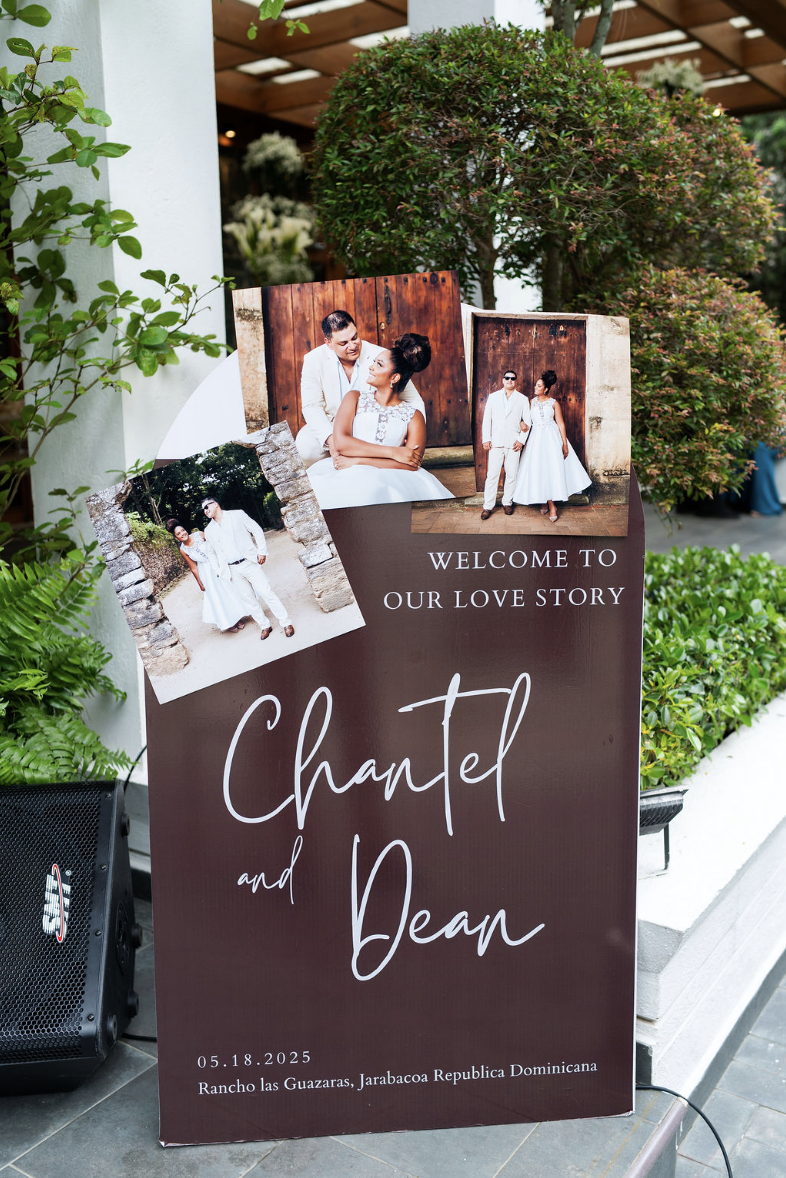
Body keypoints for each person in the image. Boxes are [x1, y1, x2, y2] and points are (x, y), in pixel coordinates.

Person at [306, 333, 454, 510]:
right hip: (347, 474)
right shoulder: (354, 398)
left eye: (379, 364)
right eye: (374, 362)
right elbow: (341, 443)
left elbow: (411, 464)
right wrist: (394, 452)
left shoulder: (414, 416)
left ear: (394, 378)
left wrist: (357, 462)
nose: (371, 367)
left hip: (390, 477)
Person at [295, 309, 426, 467]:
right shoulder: (313, 360)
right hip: (332, 424)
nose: (352, 346)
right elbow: (311, 406)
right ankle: (337, 464)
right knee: (305, 448)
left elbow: (414, 400)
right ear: (328, 343)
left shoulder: (381, 355)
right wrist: (332, 440)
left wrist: (412, 435)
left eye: (354, 338)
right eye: (343, 343)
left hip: (370, 423)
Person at [201, 497, 295, 641]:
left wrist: (262, 551)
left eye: (206, 507)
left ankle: (286, 623)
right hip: (232, 570)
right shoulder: (209, 530)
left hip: (248, 562)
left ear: (215, 504)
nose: (205, 511)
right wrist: (218, 570)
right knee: (248, 600)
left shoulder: (237, 515)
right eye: (203, 510)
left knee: (266, 592)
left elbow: (256, 530)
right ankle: (264, 625)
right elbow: (211, 552)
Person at [512, 369, 590, 522]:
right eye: (536, 385)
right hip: (536, 439)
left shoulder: (554, 403)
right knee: (539, 469)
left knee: (551, 469)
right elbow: (525, 420)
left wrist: (565, 444)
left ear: (546, 389)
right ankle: (547, 502)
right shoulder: (531, 402)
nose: (535, 388)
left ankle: (550, 504)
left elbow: (560, 424)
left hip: (551, 438)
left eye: (539, 386)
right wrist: (521, 423)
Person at [166, 519, 248, 634]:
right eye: (178, 534)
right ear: (176, 538)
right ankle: (229, 622)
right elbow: (194, 568)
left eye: (183, 530)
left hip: (217, 564)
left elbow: (216, 545)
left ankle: (238, 618)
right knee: (218, 596)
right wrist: (200, 583)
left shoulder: (199, 535)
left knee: (229, 590)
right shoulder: (183, 550)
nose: (182, 534)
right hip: (206, 573)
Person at [480, 370, 531, 520]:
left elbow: (528, 422)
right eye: (507, 378)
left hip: (513, 443)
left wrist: (521, 440)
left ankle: (507, 502)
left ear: (516, 381)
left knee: (512, 474)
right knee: (492, 475)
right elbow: (487, 420)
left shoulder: (522, 399)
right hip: (496, 442)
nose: (510, 380)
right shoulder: (493, 397)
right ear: (503, 380)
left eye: (512, 379)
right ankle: (487, 506)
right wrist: (486, 439)